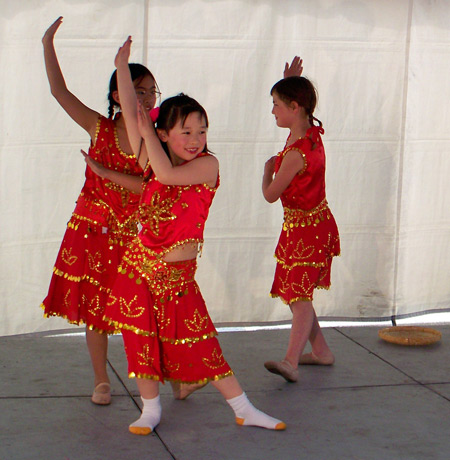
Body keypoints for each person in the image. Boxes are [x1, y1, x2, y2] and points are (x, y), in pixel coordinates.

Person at [102, 37, 286, 435]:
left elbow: (166, 172)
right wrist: (122, 67)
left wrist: (150, 130)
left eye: (201, 130)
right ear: (165, 134)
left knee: (202, 343)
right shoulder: (151, 155)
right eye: (185, 131)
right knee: (139, 339)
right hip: (138, 267)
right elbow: (135, 115)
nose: (195, 138)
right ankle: (150, 409)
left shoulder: (207, 166)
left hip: (177, 274)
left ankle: (243, 408)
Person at [40, 17, 159, 405]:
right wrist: (47, 45)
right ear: (116, 94)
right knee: (95, 310)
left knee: (137, 308)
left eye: (150, 93)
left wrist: (105, 172)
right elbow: (60, 92)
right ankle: (100, 380)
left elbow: (151, 188)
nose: (143, 99)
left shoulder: (155, 140)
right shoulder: (98, 128)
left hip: (131, 235)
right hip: (90, 231)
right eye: (137, 91)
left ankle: (155, 377)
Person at [262, 75, 340, 383]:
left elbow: (270, 195)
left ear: (295, 106)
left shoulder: (295, 154)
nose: (273, 112)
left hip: (308, 230)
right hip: (307, 226)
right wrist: (288, 80)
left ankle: (290, 361)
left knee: (299, 295)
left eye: (276, 105)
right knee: (298, 293)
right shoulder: (307, 132)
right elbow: (297, 116)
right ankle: (321, 351)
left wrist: (267, 172)